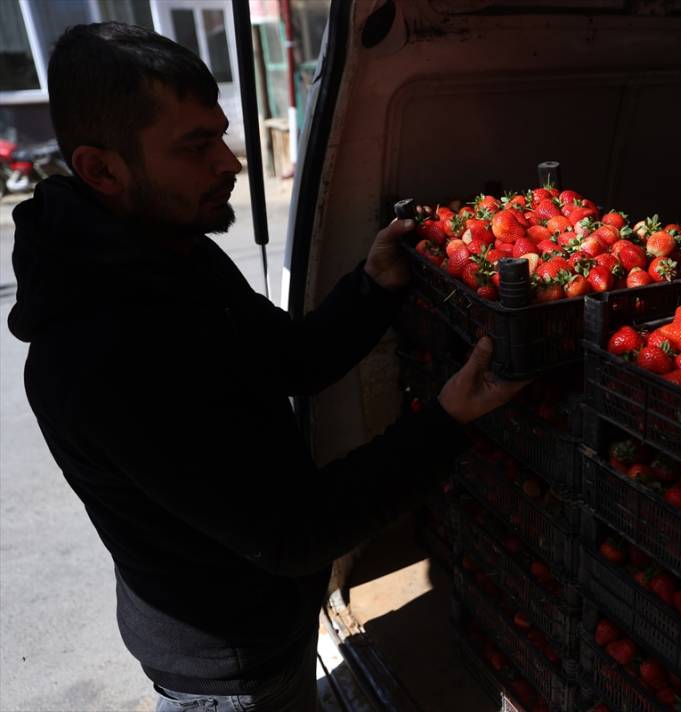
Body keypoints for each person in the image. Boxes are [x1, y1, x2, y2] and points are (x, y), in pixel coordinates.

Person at [6, 22, 523, 712]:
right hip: (230, 675)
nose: (229, 162)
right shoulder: (98, 357)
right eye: (196, 147)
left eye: (220, 133)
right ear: (102, 169)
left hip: (267, 626)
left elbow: (292, 360)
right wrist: (446, 422)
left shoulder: (174, 254)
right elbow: (291, 533)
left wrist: (372, 285)